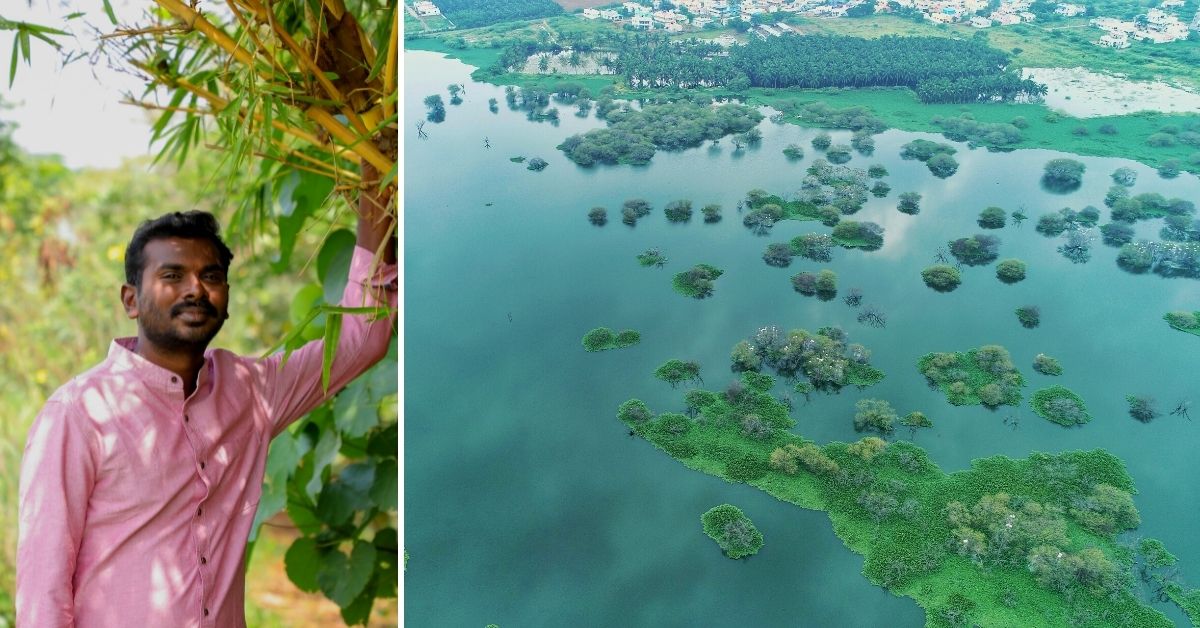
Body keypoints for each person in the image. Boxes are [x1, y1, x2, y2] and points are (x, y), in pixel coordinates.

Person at [16, 161, 397, 626]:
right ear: (130, 300)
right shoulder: (79, 415)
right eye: (172, 276)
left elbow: (364, 338)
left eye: (211, 276)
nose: (196, 289)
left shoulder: (252, 393)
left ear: (227, 296)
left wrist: (376, 188)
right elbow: (43, 591)